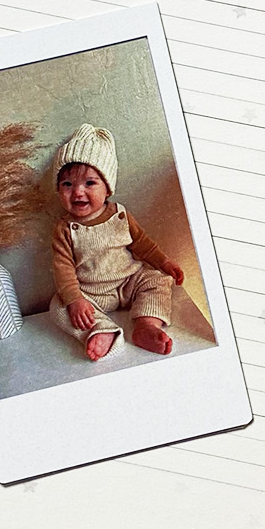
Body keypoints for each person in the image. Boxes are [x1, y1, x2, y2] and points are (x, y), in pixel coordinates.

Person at [48, 124, 184, 360]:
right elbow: (63, 268)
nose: (78, 192)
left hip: (130, 279)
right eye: (67, 184)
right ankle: (100, 330)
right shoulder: (64, 229)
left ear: (107, 187)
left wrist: (164, 262)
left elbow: (142, 244)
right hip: (92, 292)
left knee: (158, 280)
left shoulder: (120, 215)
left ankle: (146, 324)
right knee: (58, 306)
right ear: (59, 190)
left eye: (89, 183)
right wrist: (76, 299)